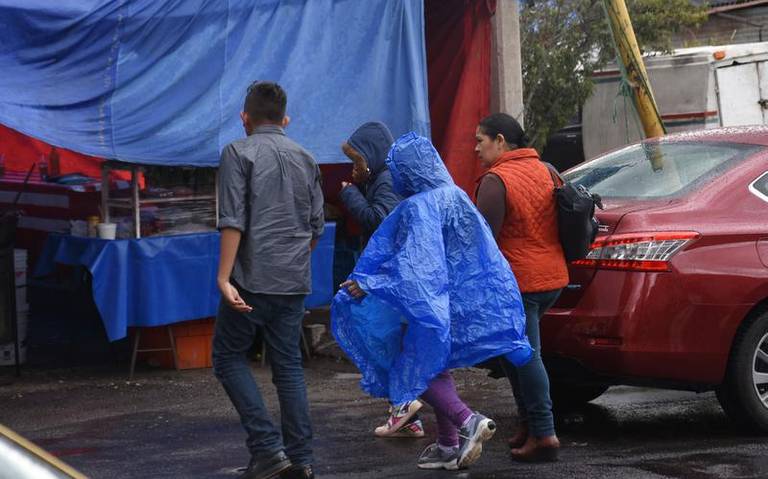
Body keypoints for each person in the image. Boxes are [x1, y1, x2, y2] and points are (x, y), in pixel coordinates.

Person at [332, 132, 533, 470]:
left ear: (405, 171)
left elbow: (415, 266)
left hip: (427, 303)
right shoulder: (455, 196)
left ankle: (468, 421)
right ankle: (447, 444)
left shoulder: (419, 206)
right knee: (436, 365)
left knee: (410, 370)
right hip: (454, 301)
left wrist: (370, 283)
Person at [213, 81, 324, 479]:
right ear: (285, 119)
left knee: (227, 358)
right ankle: (302, 460)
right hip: (293, 281)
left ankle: (266, 448)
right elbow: (316, 228)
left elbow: (232, 221)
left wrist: (225, 278)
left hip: (252, 280)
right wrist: (290, 263)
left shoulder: (237, 152)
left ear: (245, 118)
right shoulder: (306, 157)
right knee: (289, 368)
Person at [474, 112, 568, 462]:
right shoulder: (548, 170)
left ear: (501, 141)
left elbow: (482, 239)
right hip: (552, 277)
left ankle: (544, 433)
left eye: (480, 140)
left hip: (519, 284)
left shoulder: (496, 180)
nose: (475, 148)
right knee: (514, 354)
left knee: (527, 356)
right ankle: (529, 424)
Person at [337, 122, 423, 439]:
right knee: (392, 340)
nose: (353, 167)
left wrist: (349, 194)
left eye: (356, 160)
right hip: (389, 276)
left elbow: (378, 221)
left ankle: (409, 407)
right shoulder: (382, 180)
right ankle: (406, 414)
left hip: (388, 277)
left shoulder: (385, 182)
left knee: (386, 341)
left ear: (370, 157)